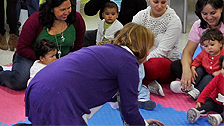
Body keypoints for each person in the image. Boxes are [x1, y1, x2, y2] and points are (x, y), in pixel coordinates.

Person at [25, 23, 164, 126]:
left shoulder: (107, 50)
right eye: (149, 48)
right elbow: (129, 110)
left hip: (37, 88)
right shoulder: (128, 63)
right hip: (57, 98)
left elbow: (124, 104)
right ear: (143, 47)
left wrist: (142, 122)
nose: (148, 54)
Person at [0, 0, 85, 91]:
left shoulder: (77, 19)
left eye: (69, 8)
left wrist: (68, 62)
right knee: (19, 82)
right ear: (51, 9)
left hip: (60, 59)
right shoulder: (36, 20)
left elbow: (78, 46)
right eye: (62, 10)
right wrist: (44, 59)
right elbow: (22, 48)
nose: (67, 12)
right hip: (31, 56)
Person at [132, 0, 181, 97]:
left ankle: (141, 81)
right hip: (141, 59)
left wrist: (138, 62)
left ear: (167, 1)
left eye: (163, 2)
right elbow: (131, 40)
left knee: (150, 67)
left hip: (165, 62)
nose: (159, 6)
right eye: (156, 2)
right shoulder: (140, 16)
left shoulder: (174, 21)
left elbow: (162, 51)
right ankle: (147, 83)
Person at [171, 0, 224, 92]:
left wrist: (222, 71)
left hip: (219, 68)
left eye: (213, 13)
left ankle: (191, 88)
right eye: (205, 14)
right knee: (177, 66)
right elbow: (188, 51)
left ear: (221, 8)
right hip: (206, 65)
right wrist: (187, 70)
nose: (209, 17)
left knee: (209, 78)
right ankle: (191, 85)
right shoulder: (198, 25)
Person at [171, 29, 224, 100]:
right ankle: (188, 86)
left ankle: (197, 91)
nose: (209, 48)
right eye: (206, 46)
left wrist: (221, 72)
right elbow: (197, 60)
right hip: (205, 70)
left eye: (212, 45)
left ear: (220, 43)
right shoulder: (204, 53)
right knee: (198, 71)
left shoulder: (222, 54)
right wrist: (193, 68)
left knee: (208, 78)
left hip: (215, 75)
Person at [187, 55, 224, 126]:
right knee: (208, 102)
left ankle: (219, 118)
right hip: (215, 101)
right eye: (223, 68)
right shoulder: (219, 77)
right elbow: (208, 88)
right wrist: (200, 100)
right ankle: (197, 112)